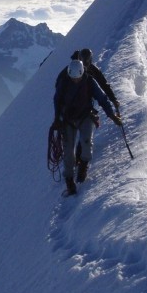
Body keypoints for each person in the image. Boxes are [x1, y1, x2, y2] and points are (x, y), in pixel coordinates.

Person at [53, 57, 122, 196]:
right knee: (68, 151)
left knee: (86, 143)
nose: (75, 80)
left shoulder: (89, 81)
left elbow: (102, 99)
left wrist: (112, 115)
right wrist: (57, 119)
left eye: (77, 78)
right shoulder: (64, 82)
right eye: (73, 78)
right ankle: (70, 180)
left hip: (84, 116)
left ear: (82, 73)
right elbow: (57, 100)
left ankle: (83, 166)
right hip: (67, 119)